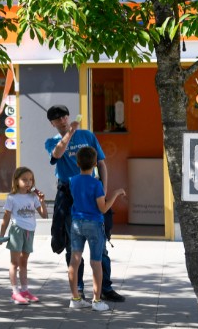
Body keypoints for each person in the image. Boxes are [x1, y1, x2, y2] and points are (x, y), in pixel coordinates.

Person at [45, 105, 125, 303]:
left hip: (92, 189)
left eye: (64, 116)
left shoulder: (87, 136)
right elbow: (57, 154)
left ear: (68, 116)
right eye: (57, 119)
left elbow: (102, 163)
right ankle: (78, 289)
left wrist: (104, 190)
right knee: (74, 246)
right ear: (52, 123)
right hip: (68, 192)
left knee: (101, 242)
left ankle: (105, 287)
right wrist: (70, 133)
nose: (62, 120)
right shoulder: (51, 141)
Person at [67, 147, 126, 311]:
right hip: (93, 224)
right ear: (95, 164)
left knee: (74, 260)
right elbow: (103, 208)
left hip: (76, 223)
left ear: (77, 163)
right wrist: (115, 194)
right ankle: (97, 300)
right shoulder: (96, 184)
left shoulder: (73, 181)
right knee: (96, 262)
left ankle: (75, 298)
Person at [0, 166, 47, 304]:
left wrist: (42, 201)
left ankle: (25, 290)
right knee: (15, 262)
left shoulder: (33, 197)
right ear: (16, 181)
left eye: (30, 179)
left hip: (30, 232)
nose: (28, 182)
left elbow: (44, 215)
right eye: (24, 179)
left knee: (24, 262)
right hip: (17, 231)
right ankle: (15, 292)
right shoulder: (12, 198)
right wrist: (1, 236)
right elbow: (6, 218)